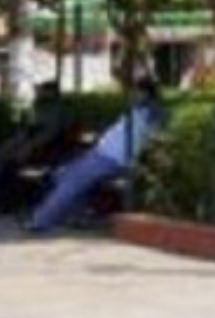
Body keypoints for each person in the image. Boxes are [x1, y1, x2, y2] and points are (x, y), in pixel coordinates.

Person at [27, 77, 165, 232]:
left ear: (145, 94)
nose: (131, 95)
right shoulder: (134, 111)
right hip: (99, 154)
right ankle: (77, 215)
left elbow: (158, 125)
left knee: (72, 181)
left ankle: (41, 221)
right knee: (62, 174)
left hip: (112, 159)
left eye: (136, 92)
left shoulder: (151, 113)